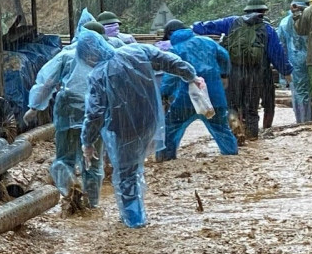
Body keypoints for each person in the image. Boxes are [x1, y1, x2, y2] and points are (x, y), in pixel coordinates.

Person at [78, 29, 200, 227]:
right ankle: (135, 211)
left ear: (90, 54)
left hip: (123, 129)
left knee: (126, 173)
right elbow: (169, 61)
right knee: (135, 168)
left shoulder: (99, 75)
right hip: (150, 121)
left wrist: (87, 141)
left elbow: (95, 114)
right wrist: (191, 75)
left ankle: (134, 220)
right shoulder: (136, 51)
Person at [27, 19, 108, 206]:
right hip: (95, 111)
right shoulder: (107, 58)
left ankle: (70, 187)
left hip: (68, 108)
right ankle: (91, 205)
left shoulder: (67, 55)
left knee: (65, 157)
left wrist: (35, 106)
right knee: (93, 162)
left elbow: (47, 82)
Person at [193, 0, 290, 140]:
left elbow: (200, 28)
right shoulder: (267, 29)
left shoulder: (231, 22)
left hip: (233, 71)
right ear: (263, 12)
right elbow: (277, 54)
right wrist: (287, 71)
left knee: (232, 104)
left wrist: (194, 25)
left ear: (246, 10)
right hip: (256, 74)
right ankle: (252, 138)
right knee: (251, 109)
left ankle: (234, 124)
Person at [158, 22, 238, 159]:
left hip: (185, 99)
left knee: (171, 128)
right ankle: (232, 155)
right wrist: (224, 75)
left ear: (170, 35)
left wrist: (164, 94)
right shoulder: (208, 42)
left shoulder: (175, 50)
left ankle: (165, 158)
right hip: (213, 97)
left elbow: (170, 77)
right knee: (222, 129)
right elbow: (224, 56)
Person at [278, 0, 312, 124]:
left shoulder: (283, 23)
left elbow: (281, 47)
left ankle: (301, 121)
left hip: (294, 63)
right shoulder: (311, 18)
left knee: (298, 93)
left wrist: (283, 73)